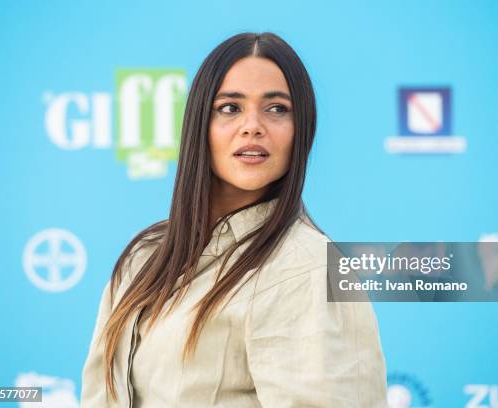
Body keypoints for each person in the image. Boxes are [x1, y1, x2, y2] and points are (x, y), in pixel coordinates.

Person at [80, 32, 388, 407]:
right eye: (230, 107)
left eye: (277, 109)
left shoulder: (312, 268)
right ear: (199, 125)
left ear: (301, 130)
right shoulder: (144, 257)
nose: (253, 125)